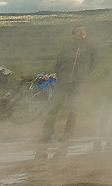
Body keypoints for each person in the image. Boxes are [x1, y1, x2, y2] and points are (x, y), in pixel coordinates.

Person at [41, 24, 95, 155]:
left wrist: (84, 75)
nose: (82, 33)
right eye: (79, 31)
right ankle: (46, 135)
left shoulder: (90, 48)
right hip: (63, 81)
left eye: (84, 30)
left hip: (78, 82)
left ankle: (67, 134)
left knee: (73, 108)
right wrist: (60, 74)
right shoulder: (67, 48)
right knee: (54, 108)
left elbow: (94, 63)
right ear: (73, 35)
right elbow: (58, 63)